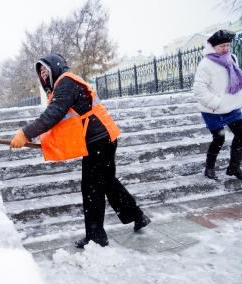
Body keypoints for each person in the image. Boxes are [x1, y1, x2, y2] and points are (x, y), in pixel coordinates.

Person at [10, 53, 150, 248]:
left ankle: (96, 237)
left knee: (92, 189)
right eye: (40, 73)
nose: (43, 76)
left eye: (45, 71)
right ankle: (137, 216)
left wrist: (26, 133)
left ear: (55, 67)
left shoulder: (65, 82)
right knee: (107, 183)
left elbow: (53, 114)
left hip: (99, 141)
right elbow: (63, 120)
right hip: (103, 138)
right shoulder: (63, 85)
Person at [193, 29, 242, 180]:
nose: (226, 49)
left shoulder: (232, 58)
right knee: (219, 138)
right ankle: (209, 167)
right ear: (213, 47)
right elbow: (199, 89)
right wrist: (215, 103)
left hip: (231, 107)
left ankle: (234, 167)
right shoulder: (206, 64)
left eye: (227, 45)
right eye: (222, 46)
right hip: (212, 109)